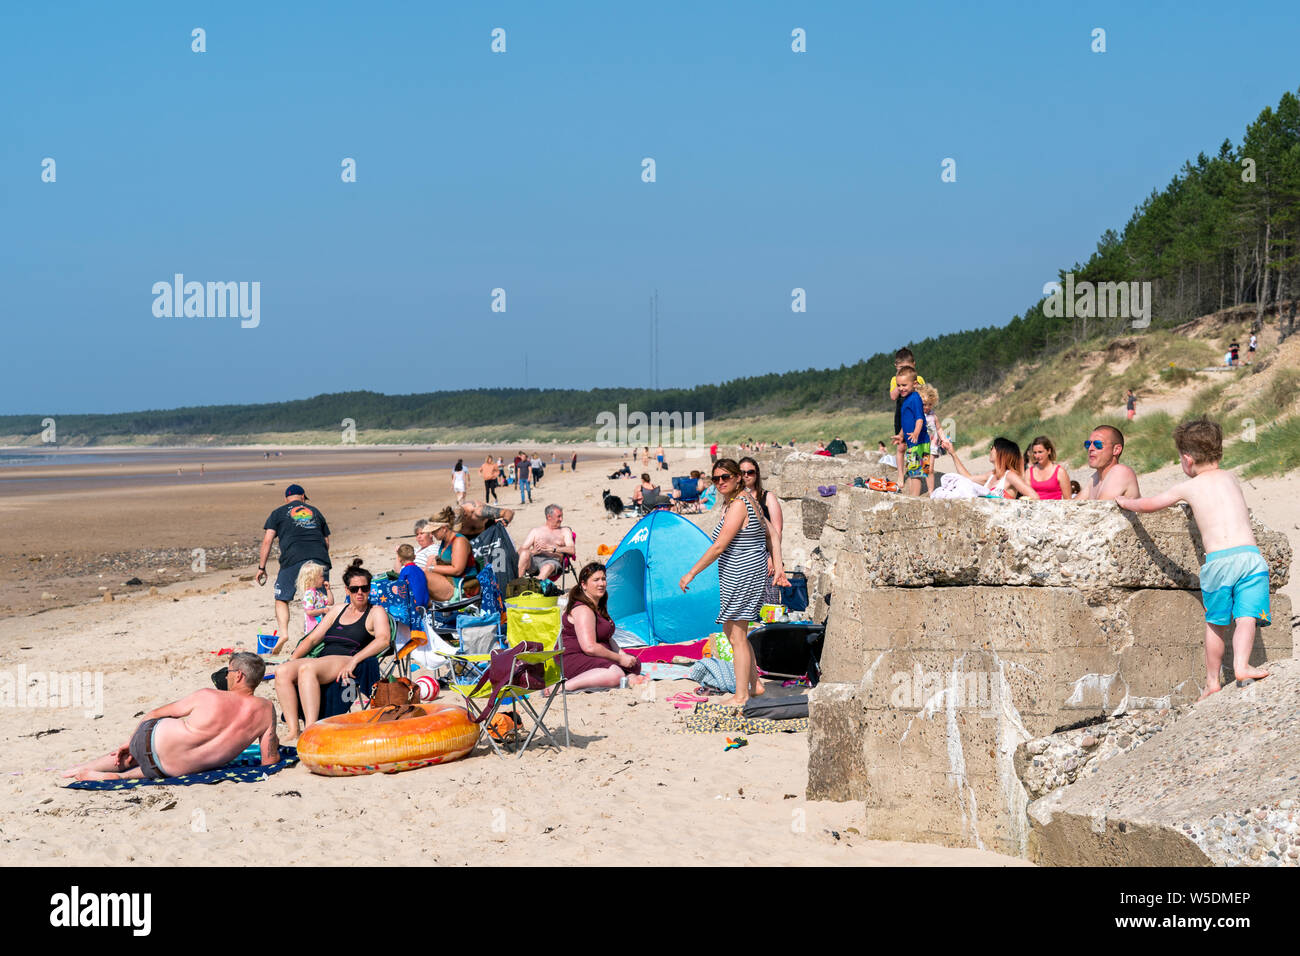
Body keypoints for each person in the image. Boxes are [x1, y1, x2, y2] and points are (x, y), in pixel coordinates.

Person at [1116, 418, 1271, 698]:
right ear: (1218, 452)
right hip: (1250, 558)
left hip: (1218, 563)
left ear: (1187, 459)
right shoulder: (1231, 477)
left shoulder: (1188, 488)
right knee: (1247, 617)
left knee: (1216, 624)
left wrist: (1126, 503)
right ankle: (1242, 665)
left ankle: (1212, 682)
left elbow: (1149, 505)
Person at [65, 652, 278, 781]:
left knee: (136, 748)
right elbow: (268, 761)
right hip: (169, 769)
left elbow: (154, 714)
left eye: (228, 672)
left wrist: (129, 741)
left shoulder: (208, 696)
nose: (226, 676)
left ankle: (84, 767)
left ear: (239, 675)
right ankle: (122, 776)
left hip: (152, 740)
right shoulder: (267, 710)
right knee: (162, 763)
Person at [678, 459, 787, 708]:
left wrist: (691, 573)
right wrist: (778, 567)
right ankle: (756, 684)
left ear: (738, 477)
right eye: (716, 479)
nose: (720, 483)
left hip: (744, 574)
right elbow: (771, 535)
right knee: (731, 630)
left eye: (725, 477)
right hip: (740, 573)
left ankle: (742, 695)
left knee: (737, 634)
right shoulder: (747, 500)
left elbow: (719, 546)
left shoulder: (740, 504)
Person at [276, 559, 391, 739]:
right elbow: (313, 638)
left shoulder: (375, 611)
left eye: (364, 588)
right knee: (282, 671)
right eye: (354, 589)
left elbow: (383, 640)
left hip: (348, 657)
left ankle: (310, 729)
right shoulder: (338, 609)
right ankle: (293, 730)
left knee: (307, 669)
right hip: (324, 659)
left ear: (369, 589)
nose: (360, 593)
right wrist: (293, 657)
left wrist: (355, 660)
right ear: (347, 590)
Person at [257, 484, 331, 643]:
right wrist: (321, 558)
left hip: (292, 559)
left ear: (286, 499)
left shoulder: (277, 513)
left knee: (282, 598)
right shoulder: (316, 512)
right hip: (319, 557)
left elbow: (267, 541)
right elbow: (326, 541)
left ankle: (284, 633)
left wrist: (261, 568)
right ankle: (321, 636)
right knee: (321, 599)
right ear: (303, 497)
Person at [552, 563, 641, 693]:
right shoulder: (583, 609)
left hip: (591, 654)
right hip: (572, 657)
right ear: (584, 585)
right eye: (596, 580)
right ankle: (563, 687)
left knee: (635, 664)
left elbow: (607, 638)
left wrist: (623, 655)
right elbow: (589, 647)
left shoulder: (598, 605)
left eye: (603, 579)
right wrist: (619, 659)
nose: (601, 584)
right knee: (616, 675)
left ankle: (625, 676)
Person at [739, 457, 786, 595]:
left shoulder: (768, 497)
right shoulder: (735, 498)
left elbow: (777, 530)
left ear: (757, 474)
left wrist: (773, 557)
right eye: (742, 472)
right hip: (742, 556)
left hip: (764, 554)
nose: (746, 475)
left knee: (767, 601)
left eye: (750, 472)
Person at [936, 436, 1039, 500]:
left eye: (992, 448)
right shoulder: (991, 475)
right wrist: (953, 453)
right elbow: (967, 478)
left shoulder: (1010, 476)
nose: (990, 450)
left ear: (1001, 452)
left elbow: (1034, 496)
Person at [272, 561, 333, 655]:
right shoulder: (309, 594)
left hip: (321, 624)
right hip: (312, 626)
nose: (323, 578)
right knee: (311, 644)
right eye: (321, 576)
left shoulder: (318, 593)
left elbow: (330, 602)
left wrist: (328, 590)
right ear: (312, 579)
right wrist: (323, 610)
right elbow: (309, 612)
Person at [422, 507, 481, 602]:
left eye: (434, 531)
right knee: (416, 576)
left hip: (461, 586)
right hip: (450, 581)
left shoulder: (459, 541)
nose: (432, 534)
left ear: (444, 528)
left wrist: (431, 568)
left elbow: (457, 570)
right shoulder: (444, 542)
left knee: (421, 576)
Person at [1076, 425, 1141, 501]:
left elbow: (1099, 510)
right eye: (1088, 444)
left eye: (1098, 444)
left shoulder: (1121, 472)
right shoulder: (1095, 478)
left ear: (1116, 450)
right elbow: (1071, 506)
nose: (1090, 448)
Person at [893, 367, 929, 496]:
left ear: (914, 384)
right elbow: (907, 422)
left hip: (919, 442)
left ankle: (915, 498)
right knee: (913, 471)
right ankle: (913, 496)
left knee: (916, 473)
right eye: (898, 385)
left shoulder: (915, 398)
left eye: (904, 385)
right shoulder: (907, 399)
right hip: (913, 442)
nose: (901, 388)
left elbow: (920, 419)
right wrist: (901, 435)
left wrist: (916, 433)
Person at [518, 505, 575, 581]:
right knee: (524, 553)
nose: (561, 519)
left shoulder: (565, 531)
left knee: (547, 567)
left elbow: (572, 550)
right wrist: (533, 552)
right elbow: (520, 551)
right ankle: (519, 583)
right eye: (559, 516)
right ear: (549, 517)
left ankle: (536, 587)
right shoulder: (536, 531)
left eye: (562, 516)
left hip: (552, 561)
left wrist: (554, 549)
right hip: (534, 561)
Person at [889, 347, 925, 441]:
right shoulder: (894, 380)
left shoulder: (919, 379)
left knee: (917, 438)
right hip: (901, 413)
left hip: (917, 413)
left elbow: (925, 396)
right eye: (901, 368)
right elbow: (893, 397)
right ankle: (903, 455)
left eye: (908, 367)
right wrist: (901, 383)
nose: (905, 370)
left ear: (914, 364)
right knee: (901, 443)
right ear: (896, 366)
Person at [1027, 436, 1072, 500]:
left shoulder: (1060, 471)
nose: (1037, 456)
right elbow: (1027, 497)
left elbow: (1068, 499)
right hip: (1035, 508)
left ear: (1049, 451)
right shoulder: (1029, 472)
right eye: (1035, 453)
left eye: (1040, 452)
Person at [917, 384, 948, 457]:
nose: (927, 407)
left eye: (930, 404)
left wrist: (944, 439)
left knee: (929, 467)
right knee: (917, 466)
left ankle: (930, 469)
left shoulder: (933, 415)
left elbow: (939, 428)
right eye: (924, 404)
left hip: (932, 445)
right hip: (919, 445)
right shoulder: (917, 415)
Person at [396, 543, 430, 609]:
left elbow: (399, 586)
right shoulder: (419, 569)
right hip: (425, 601)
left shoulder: (405, 570)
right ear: (414, 557)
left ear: (399, 559)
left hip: (414, 603)